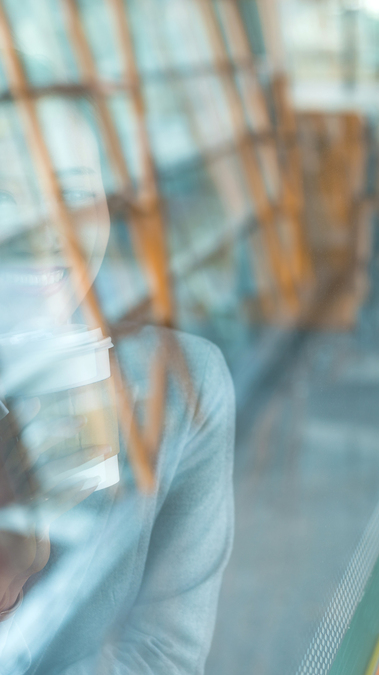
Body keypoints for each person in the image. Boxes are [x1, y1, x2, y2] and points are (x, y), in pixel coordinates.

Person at [0, 88, 234, 673]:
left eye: (76, 192)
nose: (47, 230)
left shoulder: (182, 388)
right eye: (5, 194)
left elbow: (164, 655)